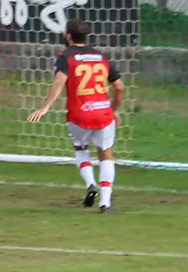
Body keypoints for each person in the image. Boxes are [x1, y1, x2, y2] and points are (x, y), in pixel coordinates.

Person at [28, 18, 125, 213]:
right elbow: (119, 86)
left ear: (68, 36)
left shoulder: (65, 57)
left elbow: (59, 82)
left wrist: (46, 106)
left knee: (81, 149)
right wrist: (115, 109)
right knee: (106, 154)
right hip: (103, 113)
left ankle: (90, 184)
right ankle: (105, 203)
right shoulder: (100, 56)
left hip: (79, 113)